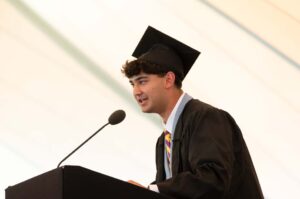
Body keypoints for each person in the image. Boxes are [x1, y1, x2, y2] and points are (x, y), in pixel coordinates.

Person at [122, 26, 264, 199]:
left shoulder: (206, 117)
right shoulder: (164, 140)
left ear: (168, 79)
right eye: (132, 84)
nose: (136, 91)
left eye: (142, 81)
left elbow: (212, 179)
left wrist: (152, 190)